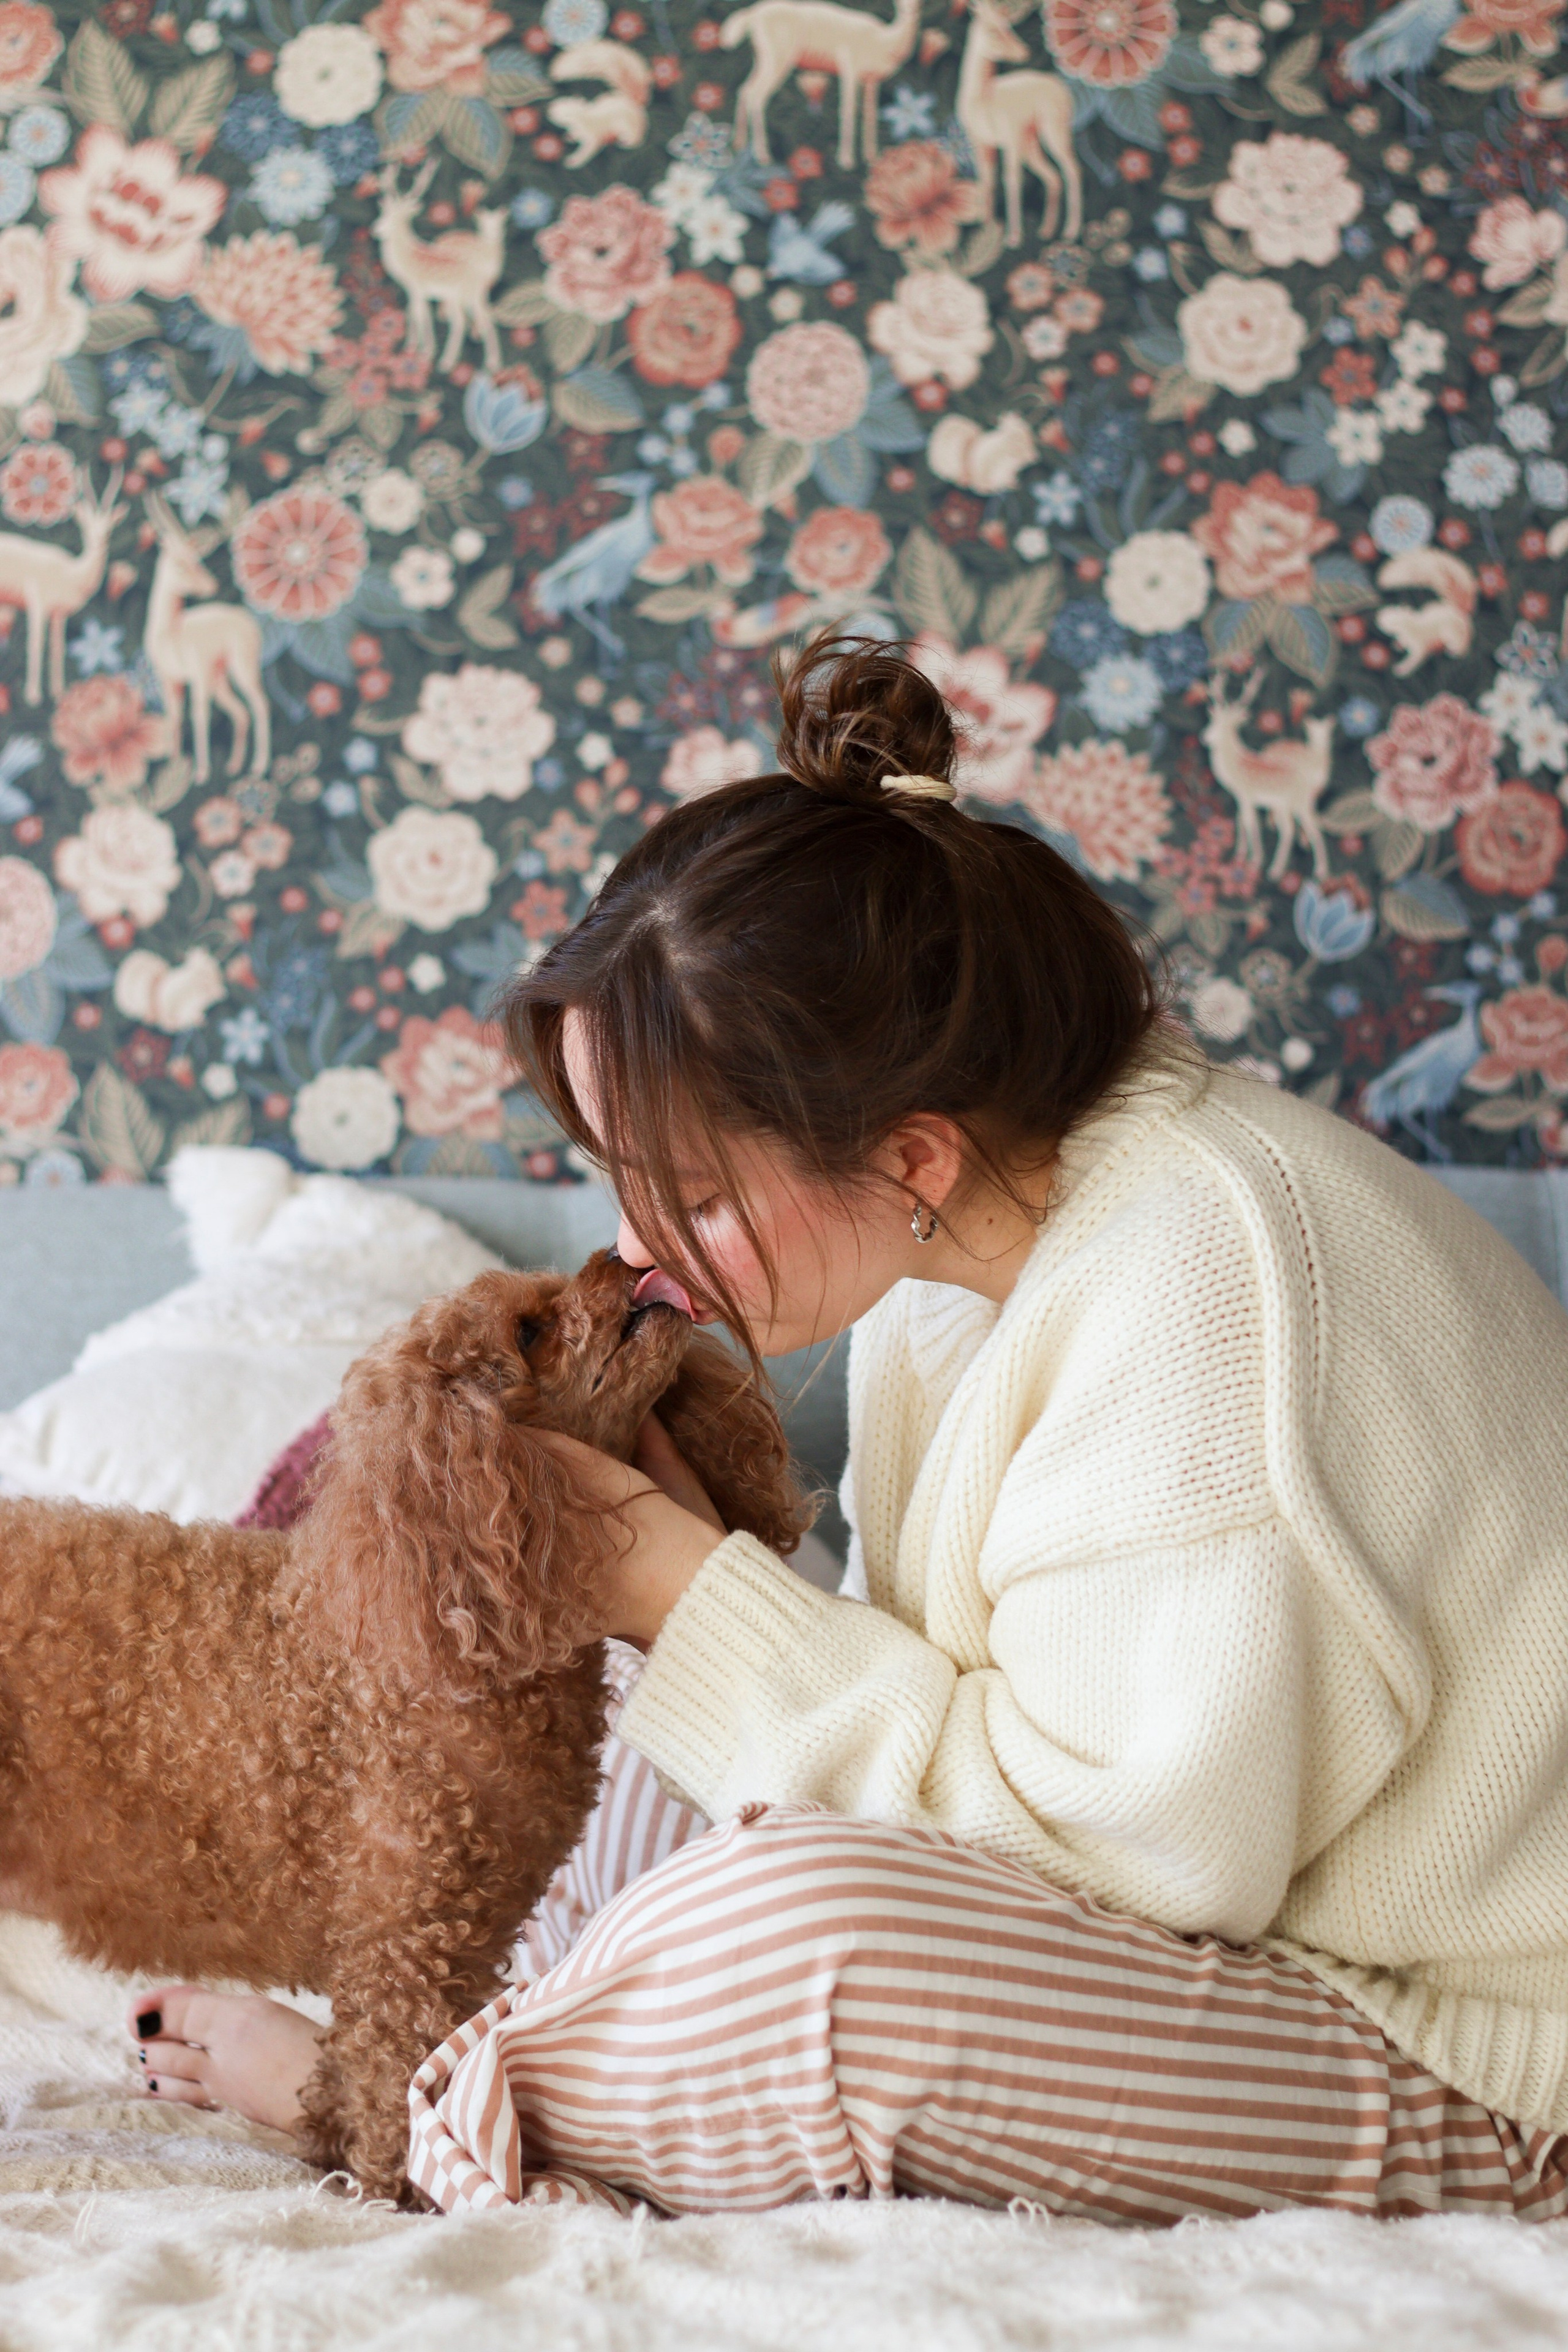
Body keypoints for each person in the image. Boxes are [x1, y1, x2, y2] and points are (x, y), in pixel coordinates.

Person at [130, 636, 1568, 2224]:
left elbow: (1118, 1880)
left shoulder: (1208, 1303)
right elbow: (965, 1710)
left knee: (817, 1940)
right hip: (1236, 1912)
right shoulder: (972, 1238)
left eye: (694, 1195)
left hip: (1483, 2058)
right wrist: (665, 1602)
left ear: (914, 1154)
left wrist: (684, 1589)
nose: (640, 1247)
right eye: (619, 1172)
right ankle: (500, 2044)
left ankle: (396, 2108)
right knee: (592, 1696)